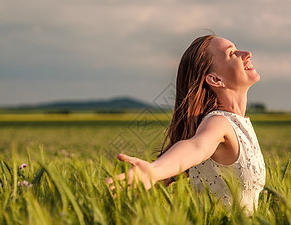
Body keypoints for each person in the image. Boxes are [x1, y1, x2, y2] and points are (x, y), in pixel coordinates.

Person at [106, 34, 266, 213]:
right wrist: (154, 170)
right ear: (215, 80)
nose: (246, 53)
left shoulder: (238, 124)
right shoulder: (218, 123)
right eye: (231, 53)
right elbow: (197, 147)